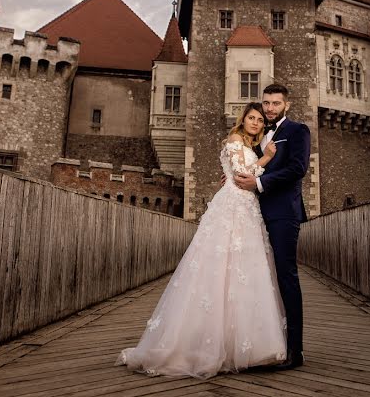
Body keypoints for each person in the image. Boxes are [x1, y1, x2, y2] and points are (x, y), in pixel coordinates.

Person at [117, 102, 287, 378]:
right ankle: (220, 345)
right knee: (222, 266)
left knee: (243, 269)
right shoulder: (234, 139)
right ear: (242, 119)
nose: (255, 122)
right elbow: (242, 174)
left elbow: (239, 172)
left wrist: (257, 159)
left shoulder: (247, 144)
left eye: (259, 120)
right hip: (233, 205)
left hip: (246, 207)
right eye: (251, 118)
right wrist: (266, 158)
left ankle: (247, 346)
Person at [233, 83, 310, 371]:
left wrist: (259, 183)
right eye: (266, 103)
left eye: (276, 103)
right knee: (260, 278)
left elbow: (297, 169)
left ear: (286, 105)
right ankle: (266, 344)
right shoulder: (259, 136)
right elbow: (248, 165)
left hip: (282, 214)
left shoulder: (297, 131)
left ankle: (295, 350)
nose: (269, 108)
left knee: (286, 276)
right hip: (254, 213)